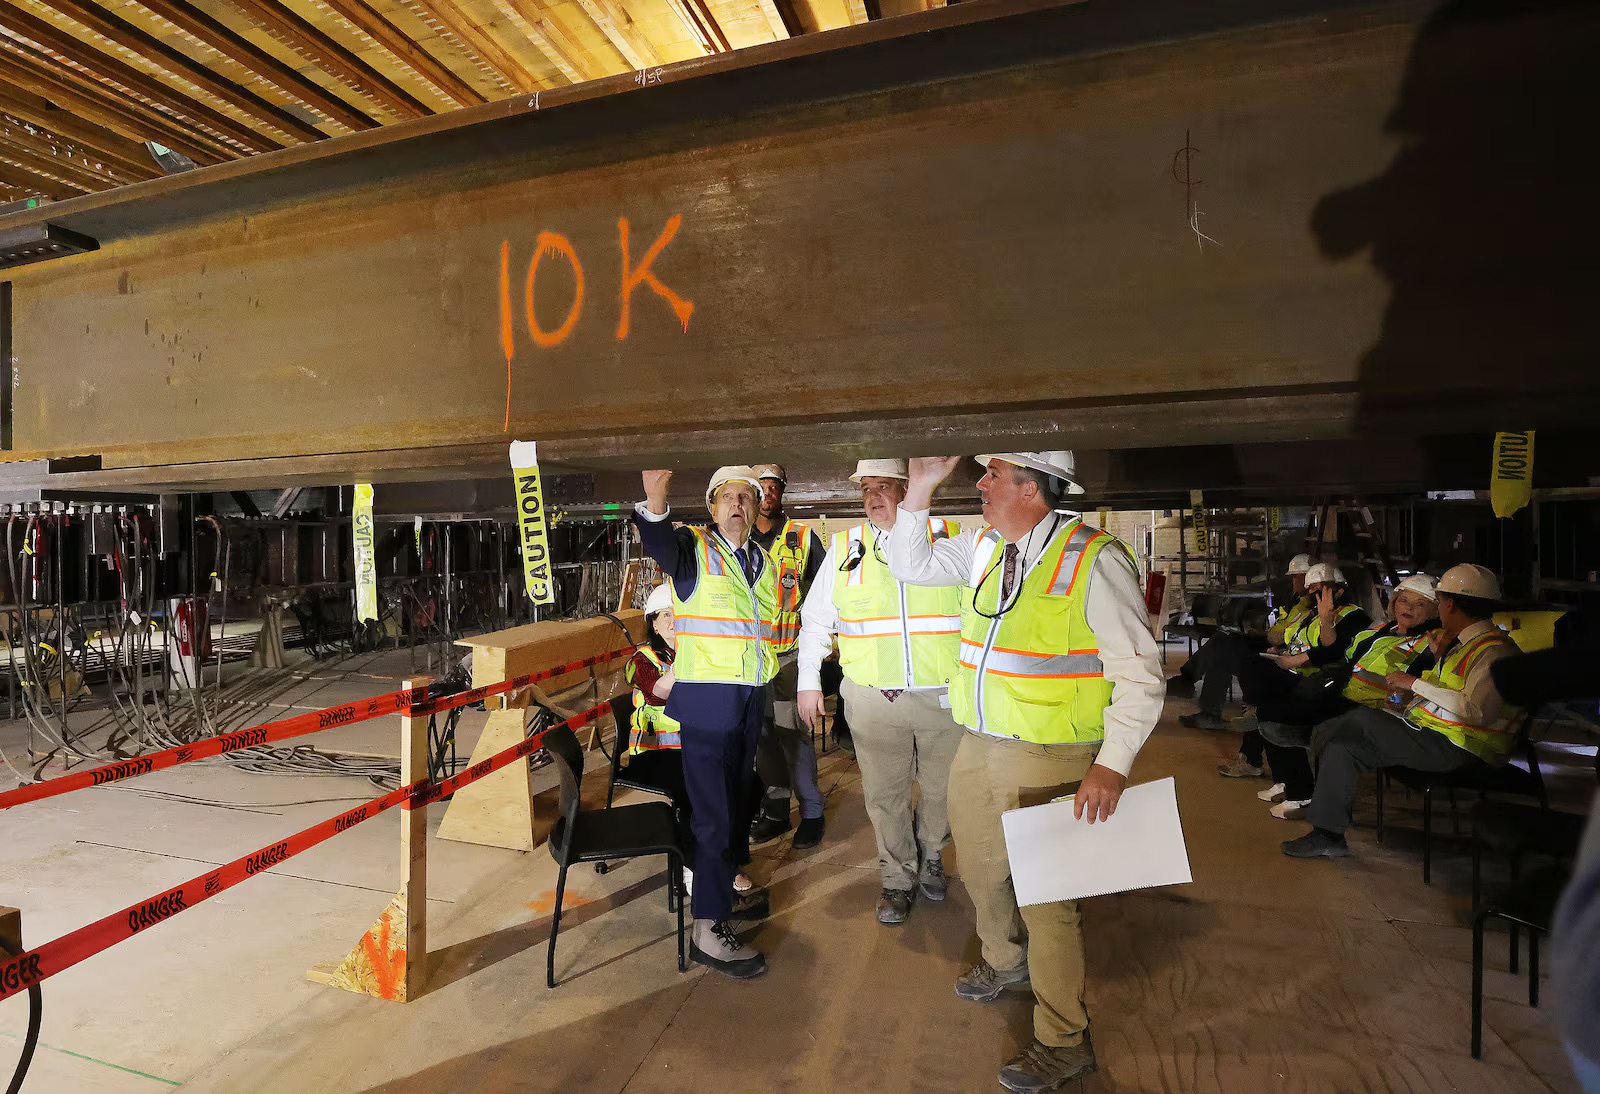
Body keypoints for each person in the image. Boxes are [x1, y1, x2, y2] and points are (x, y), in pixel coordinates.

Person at [888, 451, 1164, 1092]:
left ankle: (1065, 1039)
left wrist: (1112, 766)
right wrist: (920, 491)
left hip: (1052, 753)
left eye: (994, 475)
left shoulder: (1092, 560)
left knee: (1049, 902)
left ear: (1032, 488)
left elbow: (1140, 672)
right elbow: (910, 564)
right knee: (980, 871)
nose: (980, 484)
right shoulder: (989, 546)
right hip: (980, 742)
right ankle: (1006, 962)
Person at [794, 459, 964, 925]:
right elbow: (816, 621)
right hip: (873, 699)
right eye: (867, 489)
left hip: (943, 696)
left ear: (909, 490)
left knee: (942, 791)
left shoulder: (952, 537)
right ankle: (896, 878)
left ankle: (932, 855)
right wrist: (809, 680)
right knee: (884, 795)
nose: (873, 497)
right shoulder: (846, 547)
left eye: (884, 487)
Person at [633, 465, 776, 978]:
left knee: (738, 806)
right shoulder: (694, 550)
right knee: (714, 816)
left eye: (747, 498)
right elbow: (659, 544)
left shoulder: (760, 559)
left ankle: (721, 894)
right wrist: (655, 500)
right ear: (714, 507)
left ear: (758, 511)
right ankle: (708, 929)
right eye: (729, 497)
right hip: (708, 701)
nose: (739, 504)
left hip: (747, 697)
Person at [1282, 563, 1519, 859]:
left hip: (1464, 749)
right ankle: (1327, 834)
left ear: (1447, 605)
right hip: (1434, 735)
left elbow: (1477, 711)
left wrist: (1416, 683)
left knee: (1359, 719)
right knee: (1345, 748)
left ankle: (1304, 738)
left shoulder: (1493, 651)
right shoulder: (1462, 644)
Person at [1251, 573, 1440, 819]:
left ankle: (1302, 793)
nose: (1410, 609)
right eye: (1404, 601)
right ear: (1394, 603)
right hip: (1341, 692)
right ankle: (1291, 782)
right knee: (1269, 708)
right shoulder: (1381, 630)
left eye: (1421, 604)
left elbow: (1411, 688)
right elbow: (1337, 651)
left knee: (1282, 716)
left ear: (1435, 610)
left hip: (1372, 706)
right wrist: (1326, 620)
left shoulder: (1430, 643)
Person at [621, 582, 756, 899]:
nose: (671, 621)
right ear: (653, 622)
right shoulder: (642, 660)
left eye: (678, 614)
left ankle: (728, 859)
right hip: (655, 755)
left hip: (695, 748)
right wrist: (695, 655)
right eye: (663, 615)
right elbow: (657, 692)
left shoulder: (697, 651)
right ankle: (694, 869)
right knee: (696, 796)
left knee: (747, 783)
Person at [1209, 563, 1371, 779]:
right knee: (1247, 661)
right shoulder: (1310, 612)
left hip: (1318, 679)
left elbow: (1333, 650)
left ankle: (1258, 760)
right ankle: (1254, 749)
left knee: (1265, 697)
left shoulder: (1353, 617)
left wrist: (1298, 655)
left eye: (1320, 588)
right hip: (1296, 668)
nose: (1312, 593)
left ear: (1339, 590)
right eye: (1311, 588)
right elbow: (1298, 639)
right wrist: (1281, 650)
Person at [747, 463, 829, 850]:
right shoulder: (733, 539)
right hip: (748, 663)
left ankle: (812, 811)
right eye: (760, 488)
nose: (767, 494)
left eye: (774, 487)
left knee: (794, 737)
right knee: (762, 739)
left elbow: (830, 590)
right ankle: (776, 811)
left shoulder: (802, 538)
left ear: (783, 492)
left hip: (789, 660)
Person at [1170, 552, 1313, 709]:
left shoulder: (1309, 606)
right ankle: (1189, 682)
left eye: (1297, 577)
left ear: (1308, 578)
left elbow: (1291, 636)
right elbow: (1281, 626)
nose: (1294, 581)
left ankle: (1200, 700)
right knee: (1222, 637)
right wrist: (1261, 634)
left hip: (1283, 653)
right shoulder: (1296, 602)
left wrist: (1273, 637)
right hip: (1272, 643)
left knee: (1222, 652)